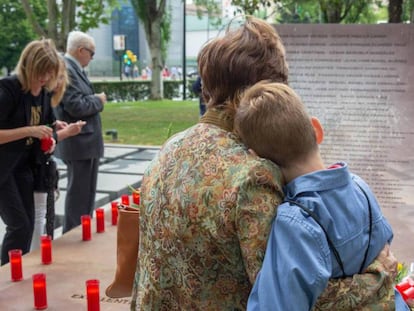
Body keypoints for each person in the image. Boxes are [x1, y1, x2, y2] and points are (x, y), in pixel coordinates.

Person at [131, 16, 398, 310]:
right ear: (261, 93)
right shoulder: (253, 173)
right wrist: (379, 275)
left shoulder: (171, 146)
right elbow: (292, 292)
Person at [234, 81, 409, 310]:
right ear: (316, 129)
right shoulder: (360, 187)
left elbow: (276, 304)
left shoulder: (296, 222)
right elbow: (382, 252)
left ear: (258, 160)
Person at [0, 38, 60, 265]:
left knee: (26, 225)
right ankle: (6, 277)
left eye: (48, 73)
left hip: (25, 168)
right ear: (28, 66)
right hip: (3, 168)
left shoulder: (43, 95)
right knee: (19, 224)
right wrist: (30, 130)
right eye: (40, 72)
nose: (43, 78)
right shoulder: (8, 89)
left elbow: (49, 128)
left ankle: (16, 271)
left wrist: (51, 137)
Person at [30, 57, 86, 250]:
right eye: (60, 76)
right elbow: (42, 138)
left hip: (40, 164)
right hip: (30, 164)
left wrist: (54, 126)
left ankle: (36, 255)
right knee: (31, 219)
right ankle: (32, 257)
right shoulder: (37, 95)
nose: (62, 82)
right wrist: (65, 132)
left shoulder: (45, 97)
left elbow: (45, 129)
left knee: (40, 215)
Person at [54, 31, 107, 233]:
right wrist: (98, 100)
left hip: (85, 142)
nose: (92, 58)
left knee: (86, 194)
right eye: (91, 54)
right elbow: (75, 105)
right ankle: (73, 234)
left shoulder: (74, 69)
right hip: (78, 142)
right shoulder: (67, 69)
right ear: (81, 50)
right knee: (79, 195)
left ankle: (81, 231)